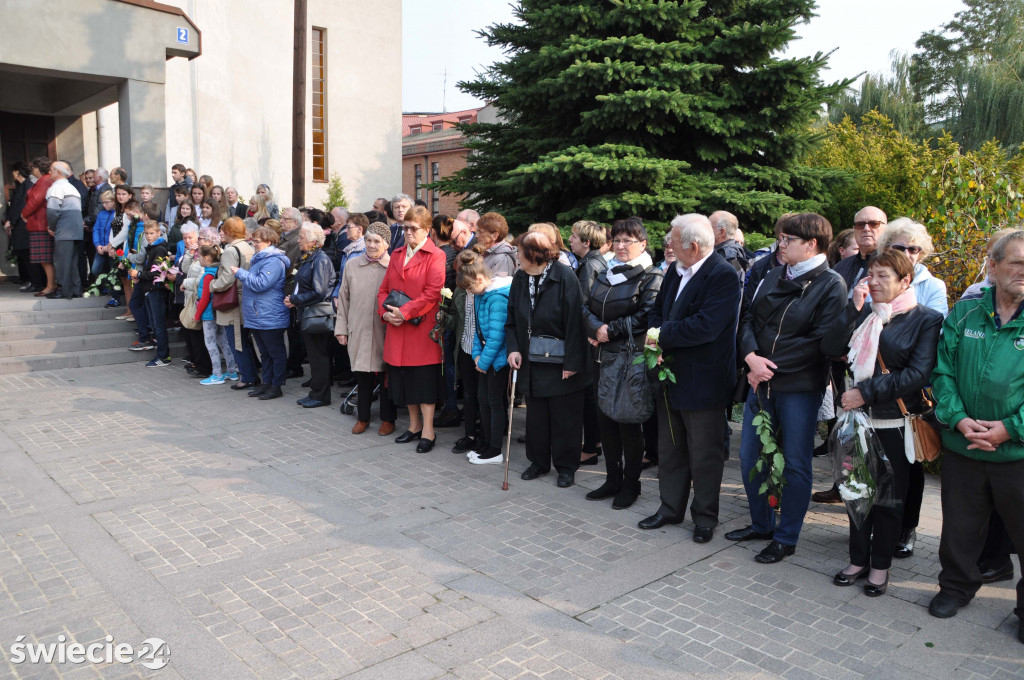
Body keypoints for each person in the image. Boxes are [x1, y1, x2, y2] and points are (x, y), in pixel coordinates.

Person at [821, 249, 942, 596]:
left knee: (888, 501)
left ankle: (880, 568)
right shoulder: (865, 314)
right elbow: (830, 346)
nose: (873, 282)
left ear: (905, 281)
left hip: (893, 425)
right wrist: (852, 308)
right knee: (855, 494)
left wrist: (865, 392)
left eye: (883, 276)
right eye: (870, 275)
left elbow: (918, 374)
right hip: (855, 423)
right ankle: (857, 559)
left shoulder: (926, 319)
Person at [728, 213, 847, 564]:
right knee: (750, 455)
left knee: (796, 463)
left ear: (811, 244)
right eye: (780, 239)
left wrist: (767, 368)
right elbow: (748, 317)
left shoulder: (831, 284)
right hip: (759, 378)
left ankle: (786, 535)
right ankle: (761, 523)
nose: (780, 245)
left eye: (787, 240)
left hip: (798, 385)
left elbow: (820, 342)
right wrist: (750, 357)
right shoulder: (772, 273)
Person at [927, 230, 1024, 645]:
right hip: (963, 445)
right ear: (993, 266)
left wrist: (1010, 428)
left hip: (1017, 452)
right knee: (960, 528)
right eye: (1017, 262)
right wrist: (959, 419)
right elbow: (942, 373)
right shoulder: (964, 314)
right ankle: (955, 587)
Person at [638, 214, 741, 542]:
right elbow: (657, 311)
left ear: (693, 247)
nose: (667, 244)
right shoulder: (674, 270)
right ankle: (670, 508)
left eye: (672, 240)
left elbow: (706, 326)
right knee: (670, 449)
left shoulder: (723, 275)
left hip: (704, 383)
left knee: (704, 454)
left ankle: (705, 518)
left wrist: (660, 335)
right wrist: (656, 333)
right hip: (669, 378)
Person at [581, 217, 663, 505]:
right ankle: (611, 480)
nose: (622, 245)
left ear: (642, 244)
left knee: (628, 422)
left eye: (629, 240)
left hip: (630, 359)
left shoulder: (651, 276)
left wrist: (608, 331)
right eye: (617, 240)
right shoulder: (606, 273)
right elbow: (586, 306)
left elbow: (646, 316)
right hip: (602, 356)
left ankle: (631, 484)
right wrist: (595, 330)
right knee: (606, 422)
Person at [813, 205, 890, 505]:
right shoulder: (842, 268)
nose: (866, 229)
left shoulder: (890, 265)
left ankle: (882, 503)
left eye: (874, 223)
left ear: (885, 227)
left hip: (877, 368)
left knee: (875, 437)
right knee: (843, 428)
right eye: (860, 225)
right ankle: (842, 484)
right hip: (840, 362)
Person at [506, 231, 589, 488]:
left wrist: (572, 363)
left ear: (533, 254)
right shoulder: (520, 278)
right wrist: (513, 348)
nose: (516, 257)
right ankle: (538, 462)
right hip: (531, 359)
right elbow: (511, 317)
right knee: (537, 417)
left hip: (561, 359)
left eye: (519, 252)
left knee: (565, 417)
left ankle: (566, 467)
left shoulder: (563, 276)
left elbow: (576, 321)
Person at [377, 205, 446, 451]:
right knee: (404, 380)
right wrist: (386, 313)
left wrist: (404, 312)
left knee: (423, 382)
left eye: (413, 228)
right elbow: (384, 290)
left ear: (427, 230)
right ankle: (413, 426)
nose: (407, 232)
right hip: (397, 327)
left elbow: (432, 293)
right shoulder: (396, 253)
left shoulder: (436, 255)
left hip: (421, 329)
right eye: (405, 227)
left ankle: (428, 431)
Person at [335, 222, 397, 434]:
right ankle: (363, 417)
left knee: (386, 376)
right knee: (363, 375)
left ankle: (388, 419)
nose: (371, 245)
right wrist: (341, 329)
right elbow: (343, 299)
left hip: (385, 330)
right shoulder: (352, 264)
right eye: (368, 240)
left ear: (386, 244)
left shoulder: (394, 266)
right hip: (359, 328)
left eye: (376, 241)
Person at [455, 250, 514, 465]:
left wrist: (484, 361)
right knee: (483, 401)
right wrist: (477, 357)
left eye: (470, 287)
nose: (470, 292)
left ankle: (495, 449)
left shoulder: (496, 297)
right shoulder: (481, 294)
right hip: (485, 360)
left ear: (480, 279)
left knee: (494, 403)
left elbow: (496, 335)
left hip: (497, 362)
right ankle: (485, 442)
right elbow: (478, 329)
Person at [232, 226, 290, 400]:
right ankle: (266, 382)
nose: (254, 244)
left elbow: (261, 284)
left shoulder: (273, 260)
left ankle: (276, 386)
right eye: (254, 240)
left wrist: (240, 273)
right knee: (264, 352)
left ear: (269, 242)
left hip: (270, 314)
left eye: (257, 241)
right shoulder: (260, 258)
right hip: (259, 313)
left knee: (275, 352)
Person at [569, 219, 608, 466]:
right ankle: (595, 442)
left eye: (574, 237)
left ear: (587, 241)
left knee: (588, 395)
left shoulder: (589, 265)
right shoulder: (593, 262)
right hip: (591, 336)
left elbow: (582, 304)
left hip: (587, 338)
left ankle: (591, 447)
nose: (569, 240)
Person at [285, 223, 337, 408]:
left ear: (313, 241)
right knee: (315, 357)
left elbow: (319, 292)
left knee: (319, 357)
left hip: (316, 315)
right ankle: (315, 392)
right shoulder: (309, 257)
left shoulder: (320, 259)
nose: (298, 240)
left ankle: (321, 396)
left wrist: (296, 299)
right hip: (307, 313)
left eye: (301, 237)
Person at [212, 217, 258, 389]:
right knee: (243, 340)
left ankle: (247, 377)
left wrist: (212, 285)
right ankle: (250, 374)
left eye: (223, 229)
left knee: (236, 341)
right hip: (245, 297)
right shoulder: (248, 246)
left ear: (230, 231)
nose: (221, 232)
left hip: (233, 300)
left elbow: (227, 278)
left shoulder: (231, 251)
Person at [879, 218, 948, 316]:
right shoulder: (873, 280)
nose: (906, 254)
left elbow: (936, 324)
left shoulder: (934, 286)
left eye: (913, 249)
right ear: (886, 249)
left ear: (920, 254)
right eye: (899, 248)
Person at [431, 214, 462, 428]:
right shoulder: (453, 253)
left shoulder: (440, 255)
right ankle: (448, 403)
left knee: (447, 363)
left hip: (445, 313)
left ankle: (450, 406)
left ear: (433, 232)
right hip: (450, 310)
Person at [194, 244, 238, 384]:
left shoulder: (208, 275)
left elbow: (204, 298)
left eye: (199, 256)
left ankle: (217, 373)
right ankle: (232, 371)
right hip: (217, 312)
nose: (198, 259)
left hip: (208, 314)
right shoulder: (217, 271)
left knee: (211, 343)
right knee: (223, 342)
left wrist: (197, 315)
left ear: (206, 258)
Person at [180, 226, 218, 379]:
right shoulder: (199, 254)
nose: (197, 241)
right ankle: (197, 362)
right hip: (191, 297)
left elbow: (204, 280)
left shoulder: (209, 256)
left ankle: (204, 366)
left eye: (201, 238)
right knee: (189, 332)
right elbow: (184, 268)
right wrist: (189, 254)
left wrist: (186, 283)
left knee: (197, 334)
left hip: (198, 298)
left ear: (209, 241)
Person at [44, 161, 85, 299]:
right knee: (72, 262)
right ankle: (75, 290)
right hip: (76, 230)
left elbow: (52, 211)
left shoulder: (57, 188)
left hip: (64, 230)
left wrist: (52, 227)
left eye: (51, 170)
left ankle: (63, 291)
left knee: (62, 262)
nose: (49, 172)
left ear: (59, 172)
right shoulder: (72, 188)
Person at [22, 157, 57, 297]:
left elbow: (36, 200)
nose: (32, 171)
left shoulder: (44, 180)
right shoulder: (46, 180)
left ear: (38, 168)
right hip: (40, 222)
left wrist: (24, 213)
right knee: (44, 258)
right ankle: (51, 285)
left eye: (33, 168)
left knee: (45, 258)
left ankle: (50, 286)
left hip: (40, 223)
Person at [279, 207, 306, 379]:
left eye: (285, 219)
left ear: (295, 222)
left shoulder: (296, 239)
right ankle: (292, 364)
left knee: (293, 331)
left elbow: (289, 266)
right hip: (285, 288)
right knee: (290, 330)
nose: (281, 221)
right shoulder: (286, 237)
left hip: (290, 289)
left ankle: (295, 366)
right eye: (281, 218)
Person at [4, 162, 38, 292]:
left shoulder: (28, 186)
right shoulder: (20, 186)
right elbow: (13, 205)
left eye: (13, 171)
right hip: (18, 225)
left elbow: (22, 207)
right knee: (22, 254)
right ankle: (27, 279)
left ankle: (34, 282)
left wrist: (11, 221)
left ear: (17, 172)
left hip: (25, 225)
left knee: (28, 254)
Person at [710, 210, 749, 275]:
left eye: (709, 226)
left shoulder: (729, 255)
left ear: (721, 232)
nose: (705, 229)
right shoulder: (722, 251)